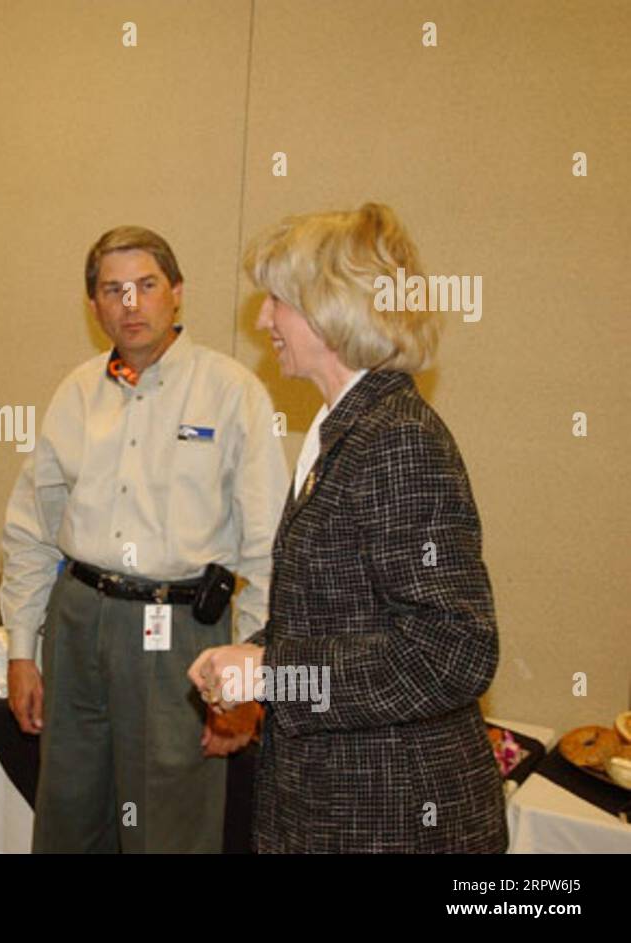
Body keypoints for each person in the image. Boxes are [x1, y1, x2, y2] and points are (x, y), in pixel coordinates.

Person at [190, 202, 508, 853]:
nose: (262, 320)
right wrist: (252, 658)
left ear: (331, 308)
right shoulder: (346, 428)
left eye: (277, 300)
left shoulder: (397, 439)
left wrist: (273, 674)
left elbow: (452, 650)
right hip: (331, 807)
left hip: (388, 820)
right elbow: (336, 613)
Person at [0, 226, 288, 853]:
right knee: (68, 815)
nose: (130, 303)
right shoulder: (75, 393)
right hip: (77, 622)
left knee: (171, 826)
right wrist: (23, 647)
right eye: (113, 290)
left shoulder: (232, 392)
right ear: (94, 305)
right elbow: (30, 529)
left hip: (181, 634)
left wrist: (247, 678)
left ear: (177, 293)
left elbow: (269, 549)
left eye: (146, 285)